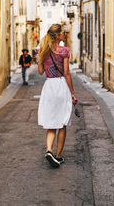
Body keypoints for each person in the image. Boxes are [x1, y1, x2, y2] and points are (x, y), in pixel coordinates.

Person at [38, 24, 77, 168]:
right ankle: (58, 156)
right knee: (62, 123)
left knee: (51, 123)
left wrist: (40, 58)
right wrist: (72, 93)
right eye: (63, 32)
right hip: (61, 86)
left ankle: (49, 150)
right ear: (58, 36)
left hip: (49, 87)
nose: (65, 34)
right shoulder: (64, 51)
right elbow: (66, 73)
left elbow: (41, 72)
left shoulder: (44, 51)